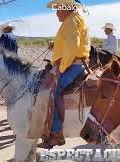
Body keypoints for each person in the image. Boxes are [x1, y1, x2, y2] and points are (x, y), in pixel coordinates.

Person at [37, 0, 90, 149]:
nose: (56, 12)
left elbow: (72, 47)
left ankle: (56, 132)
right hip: (76, 64)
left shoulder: (71, 21)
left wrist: (61, 69)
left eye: (58, 8)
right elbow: (70, 43)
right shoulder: (75, 19)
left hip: (71, 65)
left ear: (66, 8)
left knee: (53, 91)